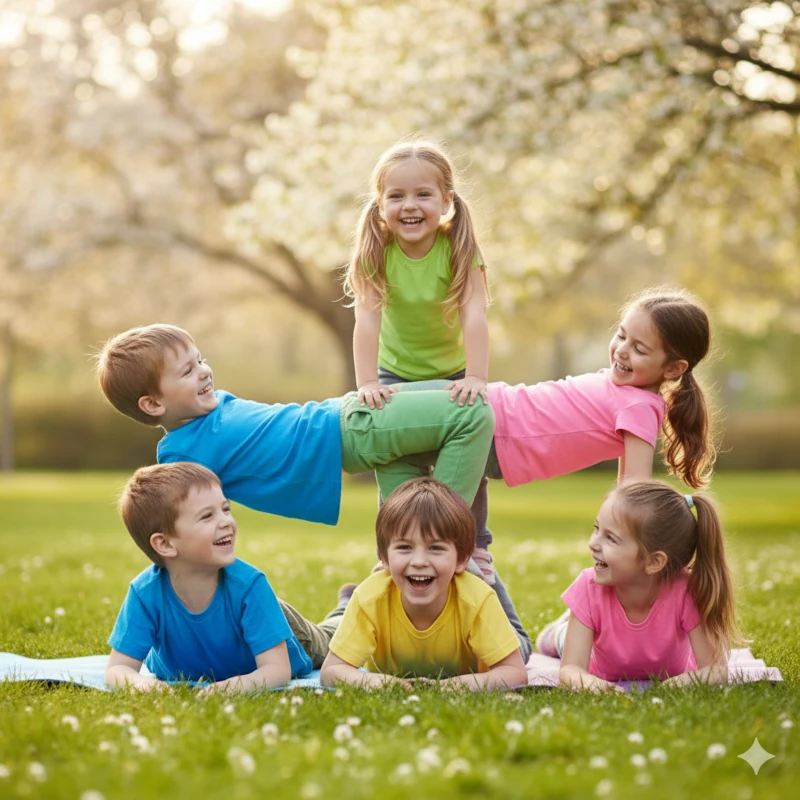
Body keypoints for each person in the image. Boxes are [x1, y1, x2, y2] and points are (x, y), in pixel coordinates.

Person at [95, 323, 494, 525]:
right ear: (152, 403)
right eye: (187, 371)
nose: (203, 372)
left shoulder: (212, 411)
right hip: (353, 432)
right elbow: (188, 517)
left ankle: (428, 546)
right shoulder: (182, 455)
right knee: (471, 413)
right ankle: (450, 538)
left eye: (200, 360)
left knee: (456, 393)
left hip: (348, 411)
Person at [105, 463, 351, 693]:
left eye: (225, 509)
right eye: (207, 516)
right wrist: (143, 687)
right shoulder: (144, 593)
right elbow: (118, 668)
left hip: (290, 635)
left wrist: (231, 687)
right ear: (165, 543)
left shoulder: (249, 585)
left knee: (333, 637)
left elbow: (278, 670)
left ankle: (347, 606)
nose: (227, 522)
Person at [488, 288, 716, 490]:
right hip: (494, 408)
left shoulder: (640, 408)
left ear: (673, 368)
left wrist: (618, 526)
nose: (622, 350)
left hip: (496, 435)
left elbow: (633, 490)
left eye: (639, 349)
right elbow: (626, 490)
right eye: (621, 335)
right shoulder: (622, 391)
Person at [320, 478, 530, 691]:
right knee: (347, 612)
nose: (419, 561)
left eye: (436, 548)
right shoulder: (369, 598)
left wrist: (456, 686)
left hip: (484, 611)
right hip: (370, 600)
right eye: (404, 547)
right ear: (383, 557)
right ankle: (345, 602)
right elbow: (331, 671)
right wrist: (381, 683)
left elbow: (515, 672)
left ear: (461, 560)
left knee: (520, 644)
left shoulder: (477, 600)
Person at [535, 480, 742, 691]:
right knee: (561, 641)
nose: (593, 543)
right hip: (594, 651)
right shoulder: (588, 587)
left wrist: (674, 686)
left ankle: (570, 621)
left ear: (653, 562)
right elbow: (570, 668)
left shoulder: (687, 591)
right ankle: (560, 630)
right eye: (597, 529)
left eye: (611, 539)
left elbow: (716, 670)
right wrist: (591, 684)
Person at [344, 139, 491, 411]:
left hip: (455, 372)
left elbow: (473, 314)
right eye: (396, 196)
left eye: (423, 194)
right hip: (394, 373)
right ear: (380, 203)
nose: (409, 205)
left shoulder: (459, 251)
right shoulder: (375, 254)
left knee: (475, 418)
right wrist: (367, 383)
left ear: (447, 201)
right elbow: (366, 317)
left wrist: (475, 377)